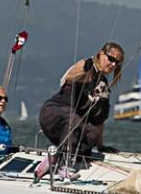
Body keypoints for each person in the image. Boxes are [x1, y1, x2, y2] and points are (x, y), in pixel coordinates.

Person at [37, 42, 124, 178]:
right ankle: (64, 166)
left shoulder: (103, 85)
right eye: (111, 59)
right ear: (101, 54)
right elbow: (70, 77)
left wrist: (100, 146)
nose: (113, 64)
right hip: (53, 113)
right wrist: (85, 68)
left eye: (117, 63)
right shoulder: (87, 65)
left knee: (92, 133)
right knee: (74, 119)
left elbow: (99, 119)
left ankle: (56, 157)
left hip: (73, 125)